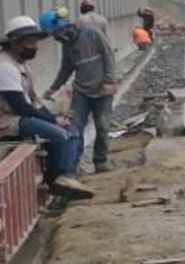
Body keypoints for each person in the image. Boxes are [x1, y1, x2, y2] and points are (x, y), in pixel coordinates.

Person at [0, 17, 91, 198]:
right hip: (7, 121)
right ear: (16, 43)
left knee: (72, 130)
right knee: (58, 136)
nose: (35, 46)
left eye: (35, 42)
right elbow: (21, 106)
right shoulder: (5, 67)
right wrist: (53, 121)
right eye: (30, 42)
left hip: (21, 117)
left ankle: (68, 176)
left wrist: (56, 119)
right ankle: (56, 179)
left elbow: (34, 102)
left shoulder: (21, 65)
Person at [45, 13, 118, 172]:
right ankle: (74, 166)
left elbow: (109, 56)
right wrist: (53, 89)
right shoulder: (67, 46)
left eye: (58, 33)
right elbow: (66, 69)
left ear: (66, 27)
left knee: (103, 126)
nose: (58, 38)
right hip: (81, 92)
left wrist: (109, 80)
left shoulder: (93, 34)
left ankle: (100, 162)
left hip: (102, 90)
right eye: (55, 36)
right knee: (75, 128)